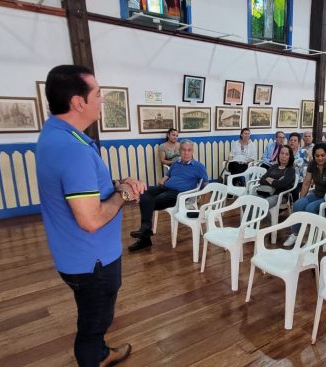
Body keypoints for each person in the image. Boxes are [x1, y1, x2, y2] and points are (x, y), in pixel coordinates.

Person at [36, 65, 140, 366]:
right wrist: (123, 195)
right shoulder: (73, 149)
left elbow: (83, 191)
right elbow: (91, 219)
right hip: (92, 261)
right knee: (94, 323)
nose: (102, 99)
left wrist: (115, 185)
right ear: (78, 102)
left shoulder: (54, 133)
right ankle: (94, 357)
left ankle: (100, 352)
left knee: (93, 318)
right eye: (97, 93)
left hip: (75, 255)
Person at [128, 140, 208, 251]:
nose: (186, 153)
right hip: (164, 188)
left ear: (192, 151)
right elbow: (168, 175)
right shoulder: (176, 163)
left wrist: (200, 199)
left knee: (152, 201)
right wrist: (162, 181)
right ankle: (145, 231)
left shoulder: (199, 167)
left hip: (178, 194)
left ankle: (145, 236)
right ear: (179, 151)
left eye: (189, 150)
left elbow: (205, 185)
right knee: (144, 192)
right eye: (183, 150)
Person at [284, 144, 326, 246]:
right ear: (314, 156)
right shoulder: (312, 164)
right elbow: (306, 182)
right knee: (298, 204)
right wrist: (302, 199)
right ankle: (295, 234)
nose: (320, 158)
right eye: (317, 155)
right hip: (316, 193)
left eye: (322, 155)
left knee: (310, 208)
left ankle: (313, 239)